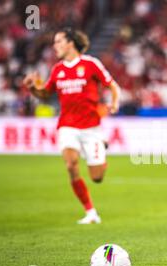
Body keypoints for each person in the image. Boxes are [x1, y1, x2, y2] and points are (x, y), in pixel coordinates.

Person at [23, 27, 120, 224]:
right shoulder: (58, 69)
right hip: (67, 125)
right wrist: (33, 88)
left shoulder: (91, 64)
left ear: (70, 43)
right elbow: (46, 93)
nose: (55, 46)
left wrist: (115, 102)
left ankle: (101, 145)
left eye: (58, 41)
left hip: (92, 127)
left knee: (97, 177)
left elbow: (112, 84)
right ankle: (90, 212)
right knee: (71, 165)